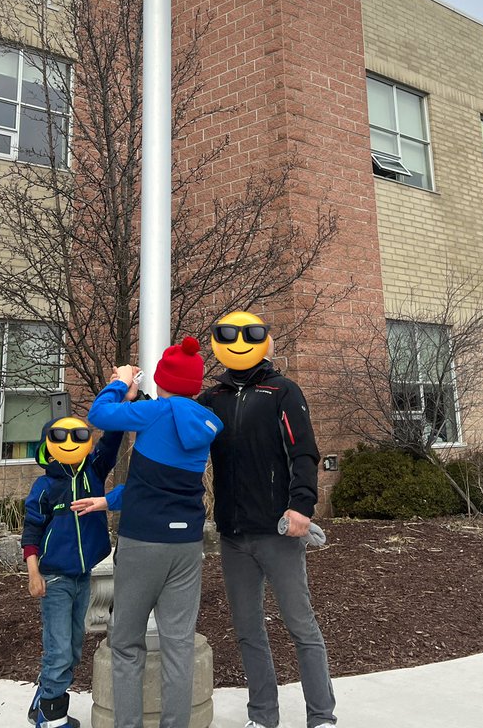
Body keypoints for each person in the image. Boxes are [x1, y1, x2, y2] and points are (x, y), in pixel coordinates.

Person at [197, 311, 336, 728]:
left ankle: (322, 716)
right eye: (229, 334)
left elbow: (304, 452)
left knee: (301, 625)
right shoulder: (212, 399)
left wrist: (301, 508)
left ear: (266, 342)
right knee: (247, 630)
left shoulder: (282, 391)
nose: (240, 341)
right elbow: (176, 423)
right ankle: (262, 716)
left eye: (252, 334)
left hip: (278, 530)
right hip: (233, 535)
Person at [87, 338, 223, 728]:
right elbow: (158, 483)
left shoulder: (153, 413)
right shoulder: (204, 421)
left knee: (126, 643)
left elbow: (100, 414)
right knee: (178, 644)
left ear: (162, 381)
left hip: (143, 541)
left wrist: (120, 383)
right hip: (185, 545)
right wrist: (107, 501)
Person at [21, 413, 128, 728]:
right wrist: (33, 572)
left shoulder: (93, 472)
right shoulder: (45, 486)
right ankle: (51, 721)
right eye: (60, 438)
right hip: (54, 578)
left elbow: (111, 441)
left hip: (82, 575)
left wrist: (124, 405)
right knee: (59, 651)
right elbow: (31, 531)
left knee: (73, 649)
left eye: (78, 436)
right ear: (47, 446)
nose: (70, 444)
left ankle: (42, 702)